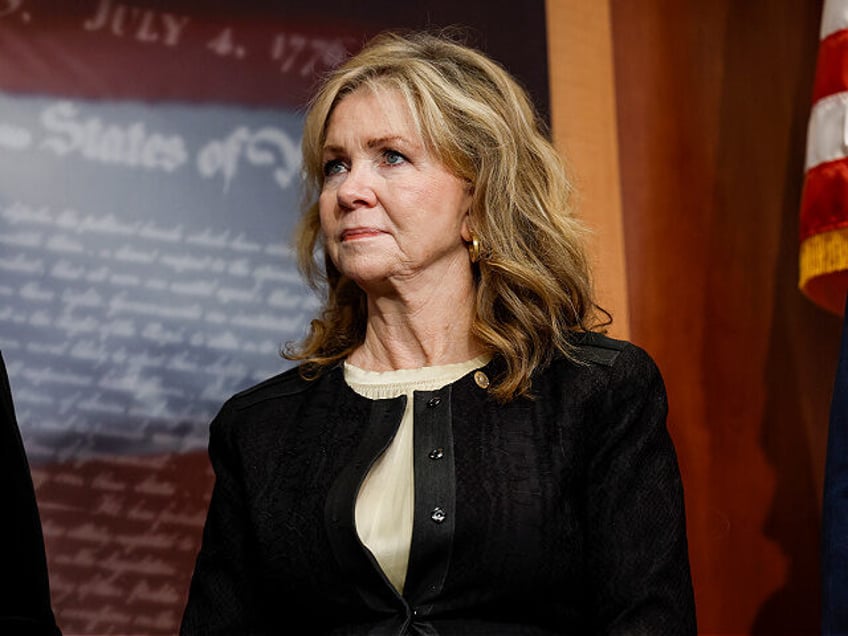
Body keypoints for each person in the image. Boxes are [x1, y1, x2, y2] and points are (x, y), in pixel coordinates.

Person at [181, 31, 696, 635]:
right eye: (335, 165)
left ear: (477, 198)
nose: (350, 191)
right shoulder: (259, 427)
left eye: (391, 157)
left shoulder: (596, 394)